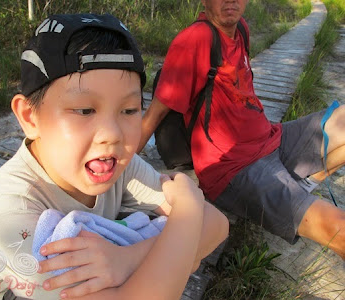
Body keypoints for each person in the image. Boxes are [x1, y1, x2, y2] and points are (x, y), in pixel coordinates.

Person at [0, 13, 229, 300]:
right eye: (85, 111)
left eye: (128, 110)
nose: (112, 134)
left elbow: (216, 224)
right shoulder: (9, 211)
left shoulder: (115, 165)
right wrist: (187, 212)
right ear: (30, 117)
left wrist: (126, 259)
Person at [138, 0, 345, 260]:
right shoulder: (195, 39)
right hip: (235, 168)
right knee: (339, 228)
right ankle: (297, 201)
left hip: (272, 138)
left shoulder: (241, 29)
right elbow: (153, 115)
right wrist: (118, 176)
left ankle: (300, 188)